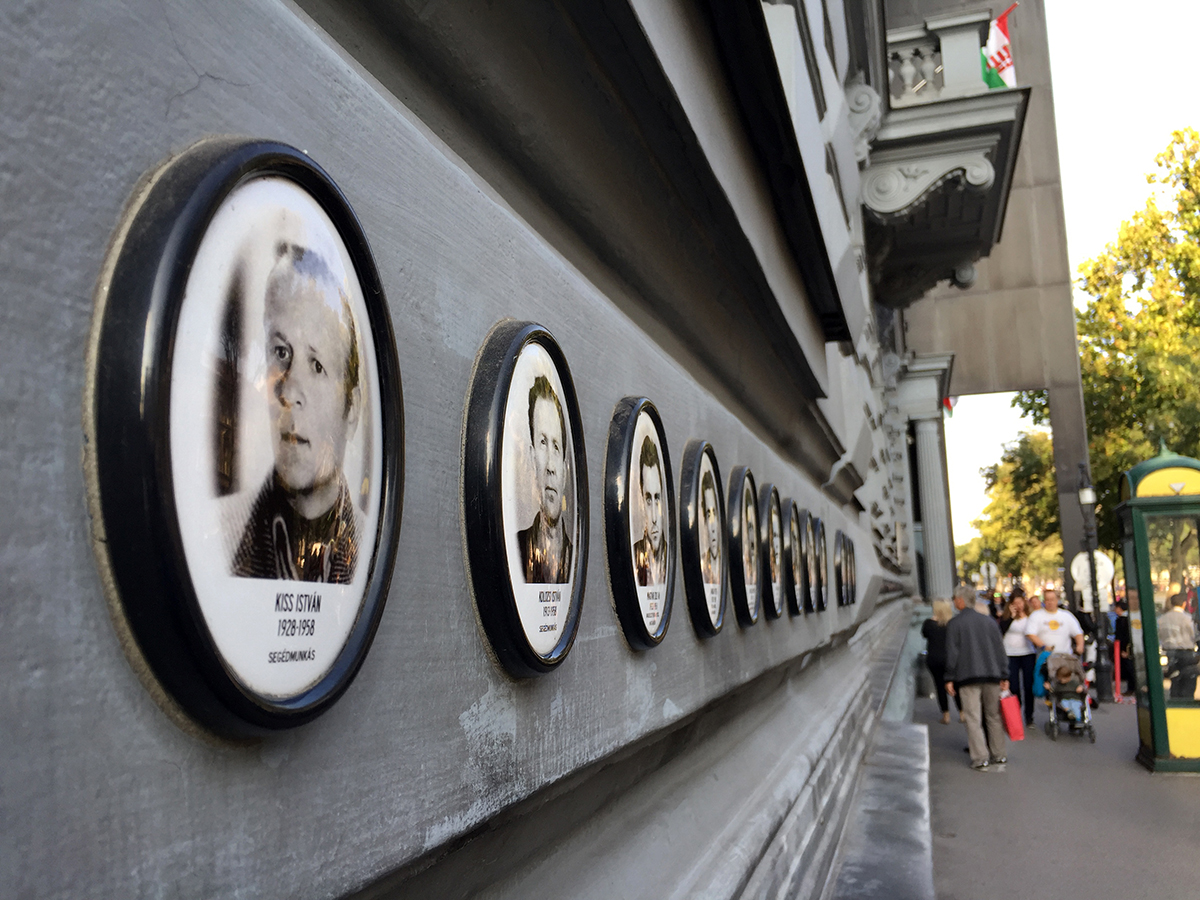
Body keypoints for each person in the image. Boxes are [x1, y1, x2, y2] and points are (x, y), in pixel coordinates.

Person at [232, 245, 362, 583]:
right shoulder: (217, 538)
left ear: (352, 410)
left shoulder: (370, 550)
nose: (288, 393)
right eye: (281, 352)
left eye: (317, 366)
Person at [945, 585, 1010, 771]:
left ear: (960, 600)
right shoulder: (990, 622)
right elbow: (1000, 649)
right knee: (993, 715)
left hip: (968, 675)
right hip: (992, 674)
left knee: (973, 718)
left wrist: (949, 677)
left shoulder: (955, 624)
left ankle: (980, 757)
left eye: (954, 599)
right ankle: (999, 754)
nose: (953, 602)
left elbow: (952, 653)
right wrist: (1004, 674)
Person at [517, 375, 572, 583]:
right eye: (542, 442)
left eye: (556, 446)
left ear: (565, 470)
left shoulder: (574, 562)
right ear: (532, 459)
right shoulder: (516, 551)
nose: (550, 466)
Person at [633, 436, 667, 586]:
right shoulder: (633, 555)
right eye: (648, 500)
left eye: (657, 498)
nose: (654, 517)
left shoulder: (670, 558)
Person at [922, 599, 961, 725]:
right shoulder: (952, 624)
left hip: (934, 659)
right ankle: (962, 713)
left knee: (940, 686)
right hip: (951, 659)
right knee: (956, 685)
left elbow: (925, 634)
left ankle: (946, 715)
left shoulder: (929, 624)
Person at [1000, 594, 1036, 726]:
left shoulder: (1031, 617)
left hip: (1028, 652)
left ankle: (1029, 715)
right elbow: (1001, 630)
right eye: (1015, 603)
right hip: (1010, 653)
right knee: (1014, 685)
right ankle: (1016, 710)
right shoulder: (1006, 617)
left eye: (1020, 603)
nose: (1018, 606)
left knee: (1028, 685)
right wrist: (1011, 616)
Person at [1159, 592, 1197, 699]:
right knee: (1188, 679)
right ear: (1184, 604)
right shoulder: (1188, 618)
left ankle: (1175, 700)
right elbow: (1194, 635)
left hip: (1169, 652)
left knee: (1174, 678)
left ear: (1171, 603)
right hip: (1186, 652)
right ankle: (1186, 701)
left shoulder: (1163, 618)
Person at [1025, 589, 1084, 656]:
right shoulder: (1036, 615)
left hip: (1065, 656)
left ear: (1057, 600)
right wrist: (1043, 646)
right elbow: (1030, 634)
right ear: (1044, 601)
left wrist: (1080, 646)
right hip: (1045, 656)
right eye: (1047, 600)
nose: (1050, 602)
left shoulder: (1067, 615)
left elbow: (1078, 633)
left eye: (1052, 599)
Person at [699, 471, 721, 584]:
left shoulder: (723, 565)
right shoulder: (702, 566)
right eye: (708, 515)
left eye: (714, 514)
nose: (712, 527)